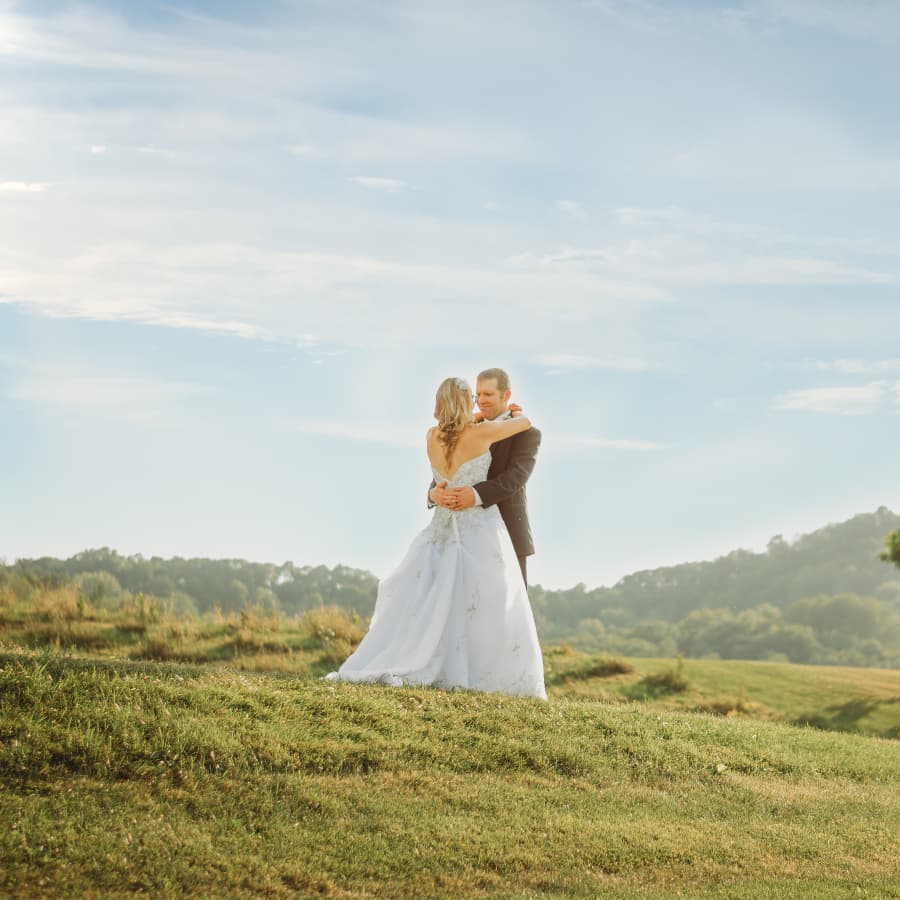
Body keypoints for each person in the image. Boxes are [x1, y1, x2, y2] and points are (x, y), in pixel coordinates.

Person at [326, 376, 546, 699]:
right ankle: (478, 672)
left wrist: (436, 494)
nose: (478, 401)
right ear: (465, 401)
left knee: (434, 601)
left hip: (441, 530)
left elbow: (447, 480)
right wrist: (516, 411)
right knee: (488, 603)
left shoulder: (431, 436)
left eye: (485, 395)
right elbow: (524, 422)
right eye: (474, 396)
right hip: (478, 529)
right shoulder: (482, 432)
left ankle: (433, 660)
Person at [429, 368, 541, 587]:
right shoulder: (460, 430)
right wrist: (433, 494)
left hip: (506, 533)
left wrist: (476, 495)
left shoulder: (527, 434)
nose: (481, 400)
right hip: (453, 535)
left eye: (488, 395)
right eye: (478, 394)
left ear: (506, 396)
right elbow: (443, 474)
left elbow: (516, 478)